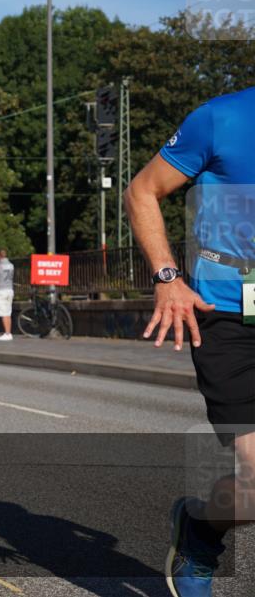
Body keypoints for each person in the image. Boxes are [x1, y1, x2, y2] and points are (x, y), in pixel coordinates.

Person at [124, 87, 254, 597]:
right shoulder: (220, 118)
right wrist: (167, 276)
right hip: (224, 312)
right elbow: (142, 191)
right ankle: (201, 532)